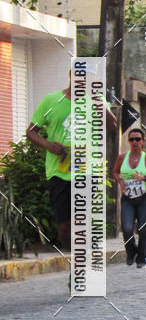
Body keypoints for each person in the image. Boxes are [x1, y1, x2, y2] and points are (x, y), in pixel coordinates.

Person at [26, 70, 116, 252]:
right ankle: (70, 256)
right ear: (70, 75)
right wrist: (48, 145)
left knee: (81, 218)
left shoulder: (96, 100)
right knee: (64, 225)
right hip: (58, 171)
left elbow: (112, 125)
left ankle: (83, 257)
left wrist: (96, 99)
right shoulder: (50, 101)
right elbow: (31, 132)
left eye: (87, 78)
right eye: (80, 76)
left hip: (86, 168)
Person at [113, 128, 146, 268]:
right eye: (131, 139)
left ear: (143, 141)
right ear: (128, 141)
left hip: (145, 198)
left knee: (143, 228)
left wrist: (143, 177)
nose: (134, 142)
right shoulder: (122, 158)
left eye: (137, 139)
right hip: (128, 198)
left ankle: (141, 258)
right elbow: (115, 172)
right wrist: (120, 181)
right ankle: (131, 251)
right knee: (126, 228)